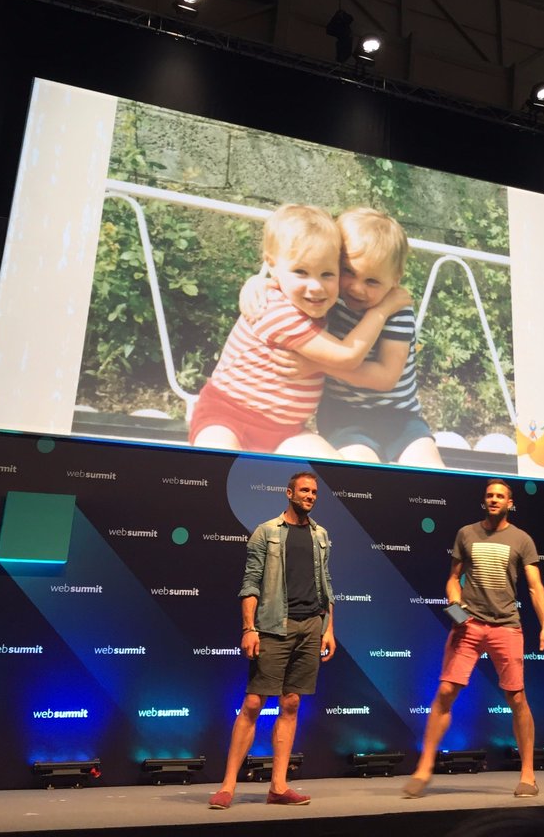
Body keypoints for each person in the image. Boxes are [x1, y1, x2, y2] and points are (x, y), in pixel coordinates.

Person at [189, 203, 409, 455]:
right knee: (218, 459)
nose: (315, 286)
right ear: (272, 265)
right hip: (227, 416)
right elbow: (347, 356)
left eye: (327, 274)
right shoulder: (274, 309)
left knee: (332, 468)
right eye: (301, 272)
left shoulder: (317, 304)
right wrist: (381, 310)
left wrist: (255, 281)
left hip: (287, 430)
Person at [247, 206, 444, 468]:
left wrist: (318, 365)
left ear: (395, 280)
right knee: (361, 469)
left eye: (372, 281)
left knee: (429, 468)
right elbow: (286, 284)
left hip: (399, 416)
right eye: (348, 271)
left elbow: (385, 377)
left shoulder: (397, 311)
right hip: (343, 414)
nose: (356, 287)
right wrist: (255, 284)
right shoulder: (328, 297)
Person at [404, 479, 544, 800]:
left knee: (517, 699)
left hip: (506, 626)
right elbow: (452, 580)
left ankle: (527, 775)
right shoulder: (466, 533)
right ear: (484, 501)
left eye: (500, 496)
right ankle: (424, 768)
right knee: (445, 691)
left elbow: (534, 587)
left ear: (510, 503)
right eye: (489, 495)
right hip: (469, 624)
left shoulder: (522, 540)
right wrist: (456, 606)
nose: (494, 499)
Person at [208, 471, 334, 809]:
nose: (310, 496)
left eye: (314, 492)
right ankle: (227, 785)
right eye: (304, 490)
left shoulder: (320, 535)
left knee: (291, 703)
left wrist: (329, 628)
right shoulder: (266, 532)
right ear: (289, 493)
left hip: (311, 627)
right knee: (252, 704)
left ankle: (278, 786)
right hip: (274, 627)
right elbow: (250, 583)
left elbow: (327, 585)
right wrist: (249, 628)